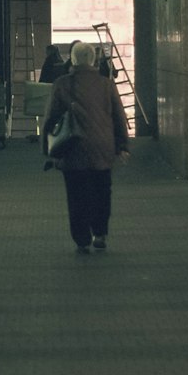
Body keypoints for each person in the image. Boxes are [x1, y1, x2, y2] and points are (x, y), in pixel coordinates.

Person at [42, 40, 130, 252]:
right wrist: (123, 145)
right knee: (102, 191)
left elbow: (51, 118)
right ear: (93, 60)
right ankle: (100, 233)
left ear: (72, 60)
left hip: (73, 148)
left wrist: (47, 149)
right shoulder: (107, 85)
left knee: (76, 195)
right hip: (102, 147)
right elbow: (119, 117)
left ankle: (82, 239)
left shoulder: (62, 84)